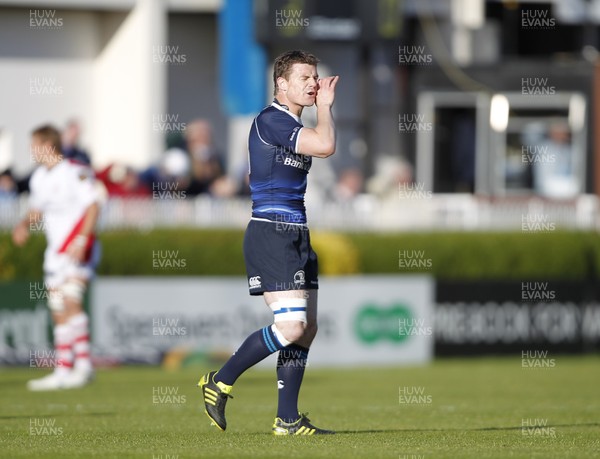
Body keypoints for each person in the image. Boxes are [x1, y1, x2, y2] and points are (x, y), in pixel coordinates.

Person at [198, 50, 339, 435]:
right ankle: (219, 380)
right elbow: (326, 145)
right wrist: (325, 107)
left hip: (296, 232)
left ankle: (288, 419)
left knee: (305, 327)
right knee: (291, 327)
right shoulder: (272, 119)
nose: (313, 83)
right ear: (282, 83)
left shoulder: (290, 123)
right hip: (272, 231)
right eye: (305, 77)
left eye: (316, 76)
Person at [12, 125, 101, 390]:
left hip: (78, 246)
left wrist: (82, 239)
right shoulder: (38, 177)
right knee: (58, 308)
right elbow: (37, 209)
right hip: (55, 252)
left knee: (72, 299)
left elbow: (93, 205)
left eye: (34, 145)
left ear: (48, 147)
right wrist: (24, 225)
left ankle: (84, 366)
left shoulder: (75, 171)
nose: (31, 151)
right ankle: (63, 370)